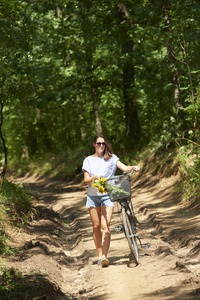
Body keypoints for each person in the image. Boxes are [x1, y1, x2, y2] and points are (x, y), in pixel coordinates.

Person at [82, 134, 140, 267]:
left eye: (103, 143)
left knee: (105, 226)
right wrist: (94, 177)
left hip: (108, 195)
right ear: (94, 145)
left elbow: (125, 168)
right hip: (93, 196)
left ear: (106, 145)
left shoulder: (112, 158)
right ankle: (99, 255)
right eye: (98, 143)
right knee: (96, 227)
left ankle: (104, 257)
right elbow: (86, 180)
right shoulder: (88, 160)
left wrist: (134, 167)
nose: (101, 146)